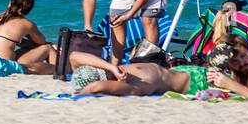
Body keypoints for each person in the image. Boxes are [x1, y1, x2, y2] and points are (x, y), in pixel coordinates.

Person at [68, 50, 215, 97]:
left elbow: (73, 56)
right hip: (191, 77)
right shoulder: (127, 78)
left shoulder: (128, 80)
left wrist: (78, 94)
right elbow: (95, 87)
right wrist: (111, 67)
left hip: (192, 79)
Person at [0, 0, 55, 68]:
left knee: (23, 49)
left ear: (10, 3)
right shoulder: (26, 24)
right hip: (4, 65)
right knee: (48, 48)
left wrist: (24, 43)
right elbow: (41, 42)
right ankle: (60, 72)